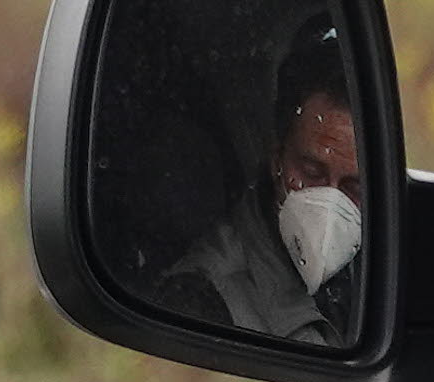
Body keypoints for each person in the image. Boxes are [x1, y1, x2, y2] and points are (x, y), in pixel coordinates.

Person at [151, 25, 366, 347]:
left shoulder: (376, 264)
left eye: (354, 188)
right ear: (276, 159)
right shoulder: (202, 302)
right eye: (311, 172)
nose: (331, 201)